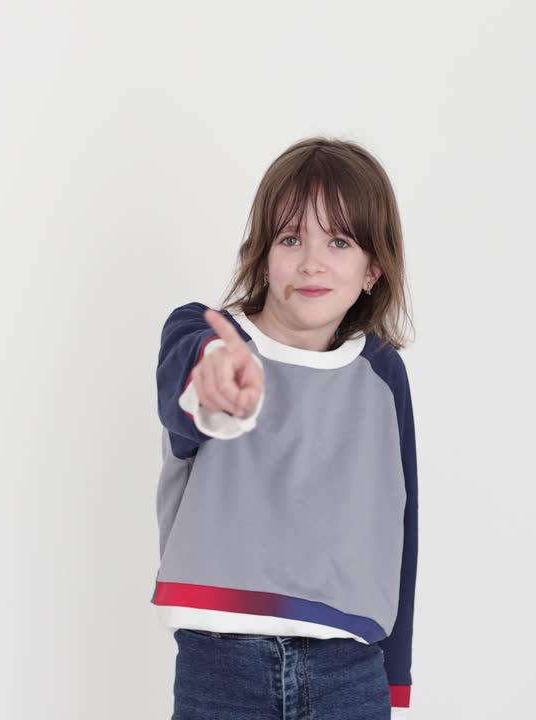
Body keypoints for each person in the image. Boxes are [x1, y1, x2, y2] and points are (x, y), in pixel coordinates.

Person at [153, 137, 419, 720]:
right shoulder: (205, 336)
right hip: (220, 668)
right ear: (263, 253)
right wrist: (216, 381)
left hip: (350, 672)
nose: (312, 261)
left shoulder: (381, 374)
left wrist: (394, 676)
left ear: (373, 267)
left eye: (339, 241)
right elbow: (190, 398)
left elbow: (399, 523)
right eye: (291, 238)